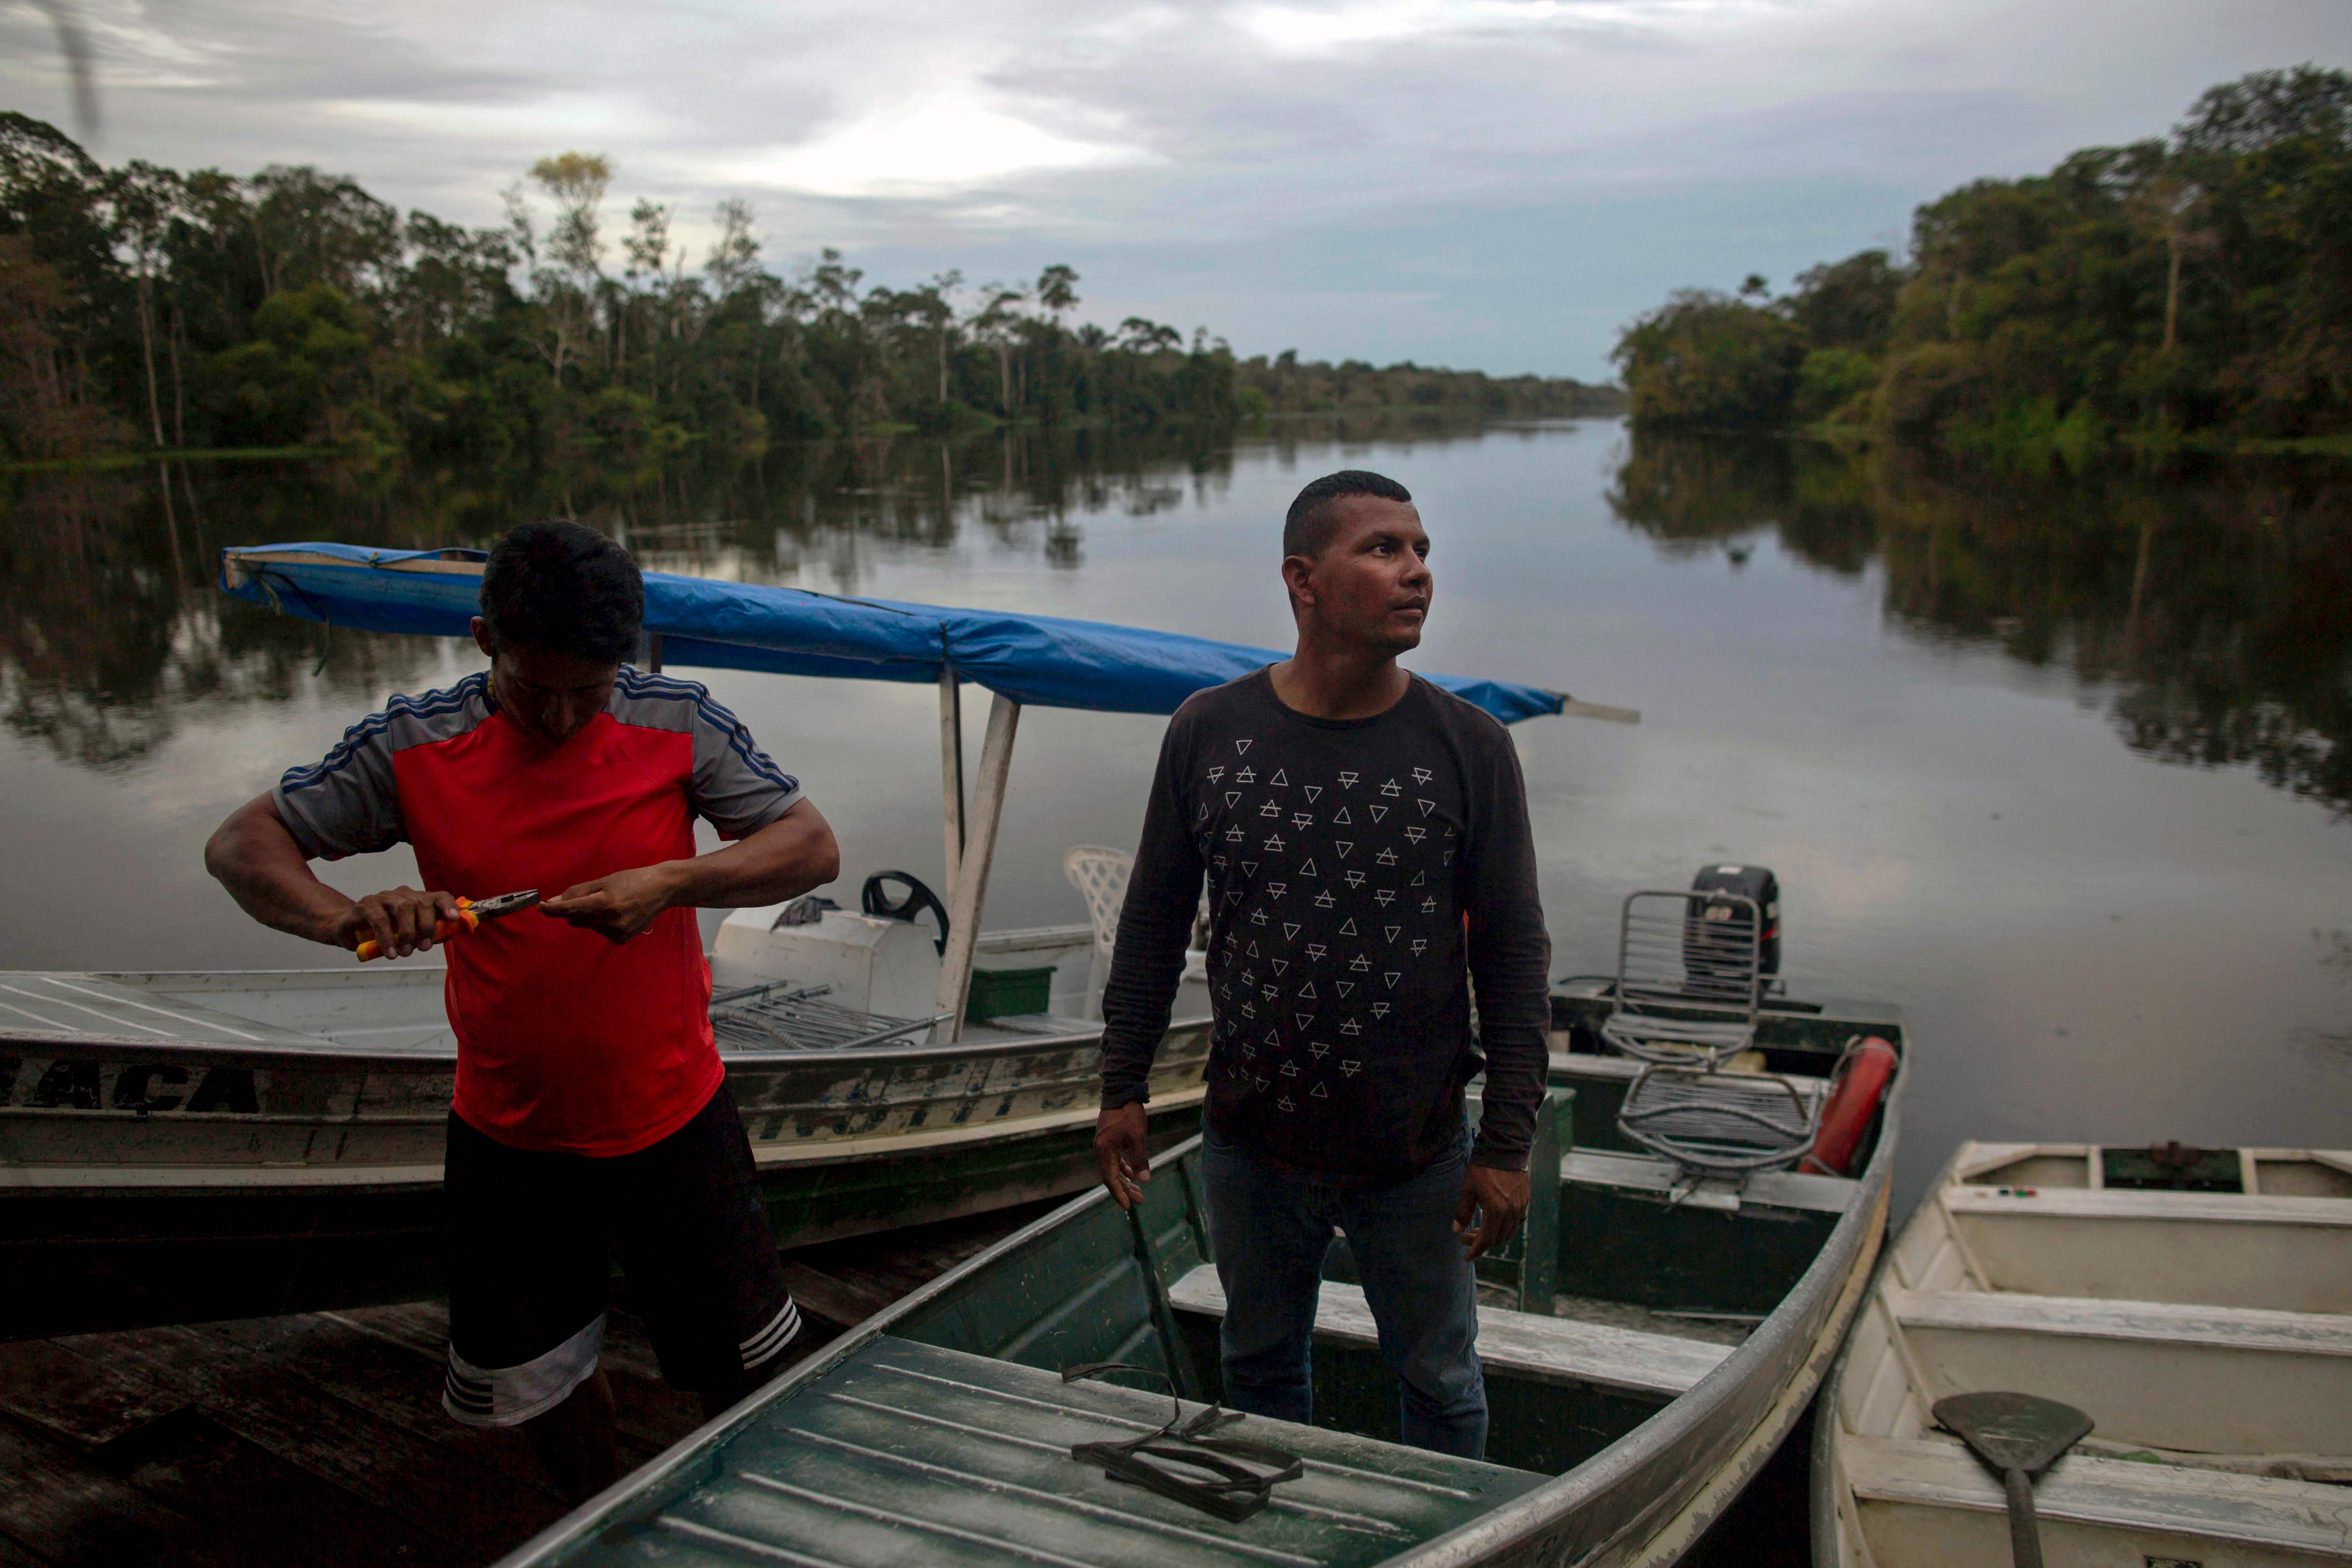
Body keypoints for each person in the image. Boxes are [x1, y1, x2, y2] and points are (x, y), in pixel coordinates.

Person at [204, 520, 839, 1501]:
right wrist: (351, 920)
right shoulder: (414, 742)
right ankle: (601, 1523)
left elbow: (809, 847)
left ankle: (748, 1513)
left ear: (623, 662)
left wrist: (670, 881)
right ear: (482, 638)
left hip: (676, 1119)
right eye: (531, 687)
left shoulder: (677, 722)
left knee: (743, 1366)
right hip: (512, 1140)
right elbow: (243, 847)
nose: (557, 717)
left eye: (586, 692)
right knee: (540, 1386)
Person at [1092, 470, 1551, 1459]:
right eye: (1384, 550)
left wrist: (1508, 1143)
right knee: (1258, 1370)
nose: (1417, 573)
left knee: (1438, 1380)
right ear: (1303, 579)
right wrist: (1119, 1083)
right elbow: (1154, 923)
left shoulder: (1468, 746)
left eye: (1422, 550)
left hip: (1415, 1154)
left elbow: (1513, 956)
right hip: (1251, 1145)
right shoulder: (1209, 732)